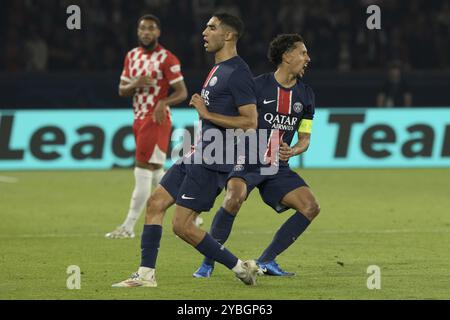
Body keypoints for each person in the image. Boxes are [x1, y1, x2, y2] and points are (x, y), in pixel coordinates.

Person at [112, 13, 260, 288]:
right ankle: (145, 275)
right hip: (198, 152)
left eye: (212, 27)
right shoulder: (218, 68)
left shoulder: (238, 73)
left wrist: (206, 113)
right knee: (155, 203)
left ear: (228, 35)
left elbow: (250, 122)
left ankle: (240, 267)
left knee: (182, 226)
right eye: (206, 26)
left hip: (215, 158)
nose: (204, 31)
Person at [193, 33, 321, 278]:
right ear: (286, 56)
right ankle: (207, 263)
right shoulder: (257, 85)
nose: (308, 58)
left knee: (310, 206)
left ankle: (266, 261)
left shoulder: (306, 95)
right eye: (303, 53)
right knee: (234, 198)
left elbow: (305, 139)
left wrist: (292, 150)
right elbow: (238, 119)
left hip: (276, 165)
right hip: (247, 158)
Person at [105, 14, 189, 239]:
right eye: (142, 29)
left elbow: (182, 92)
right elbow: (122, 90)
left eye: (151, 29)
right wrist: (136, 83)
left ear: (158, 32)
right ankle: (190, 208)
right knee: (155, 172)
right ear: (137, 31)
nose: (146, 33)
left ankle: (128, 226)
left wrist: (163, 101)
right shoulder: (131, 56)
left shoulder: (167, 58)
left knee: (142, 169)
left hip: (156, 119)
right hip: (139, 117)